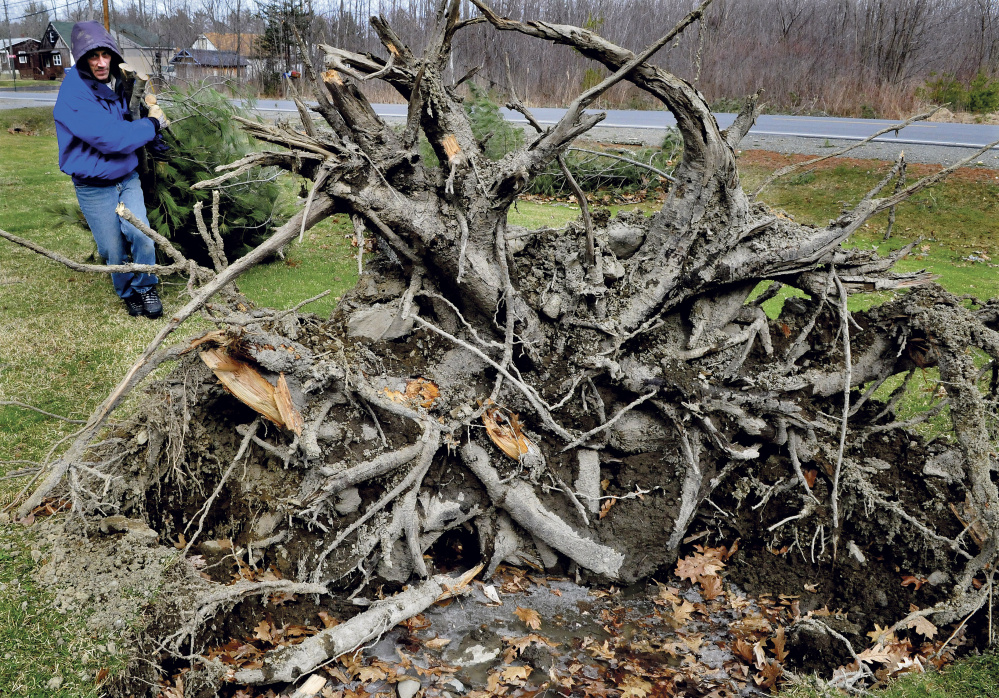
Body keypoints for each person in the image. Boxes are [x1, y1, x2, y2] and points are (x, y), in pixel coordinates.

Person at [54, 21, 168, 318]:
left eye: (106, 54)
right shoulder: (74, 94)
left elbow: (125, 118)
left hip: (127, 178)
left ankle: (146, 285)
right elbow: (111, 138)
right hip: (93, 186)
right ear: (82, 59)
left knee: (141, 234)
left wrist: (143, 112)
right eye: (94, 56)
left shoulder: (116, 82)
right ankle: (128, 292)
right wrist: (152, 124)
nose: (101, 62)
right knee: (112, 249)